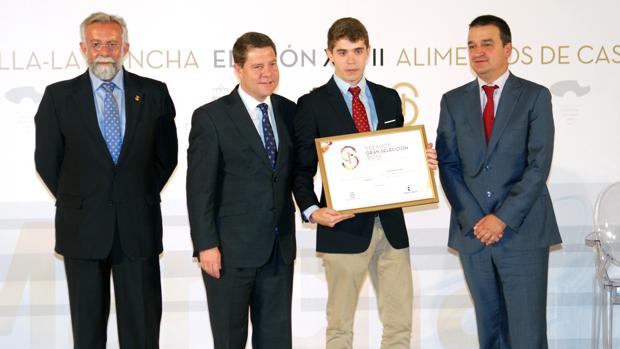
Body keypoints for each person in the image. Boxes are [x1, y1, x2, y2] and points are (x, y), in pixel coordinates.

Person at [34, 11, 177, 349]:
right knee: (87, 333)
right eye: (97, 44)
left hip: (137, 228)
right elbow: (47, 161)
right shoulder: (58, 97)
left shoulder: (154, 93)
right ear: (84, 47)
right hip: (82, 229)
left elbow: (165, 157)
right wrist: (82, 198)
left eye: (112, 44)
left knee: (142, 332)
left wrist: (133, 194)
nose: (104, 51)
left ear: (125, 47)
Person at [293, 17, 437, 349]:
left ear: (368, 50)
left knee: (400, 325)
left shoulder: (389, 99)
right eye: (342, 52)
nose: (351, 60)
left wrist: (421, 161)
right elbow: (301, 170)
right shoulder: (312, 104)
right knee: (340, 327)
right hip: (342, 226)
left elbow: (394, 158)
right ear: (329, 53)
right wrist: (313, 210)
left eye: (358, 51)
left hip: (391, 226)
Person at [435, 14, 562, 349]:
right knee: (490, 334)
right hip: (473, 234)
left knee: (527, 335)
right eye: (472, 46)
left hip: (521, 232)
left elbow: (539, 164)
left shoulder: (535, 96)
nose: (478, 52)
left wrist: (501, 218)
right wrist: (476, 220)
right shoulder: (452, 100)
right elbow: (447, 164)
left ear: (508, 49)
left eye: (487, 44)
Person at [186, 32, 297, 349]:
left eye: (273, 64)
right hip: (228, 254)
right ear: (238, 69)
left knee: (276, 341)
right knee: (230, 340)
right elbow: (199, 188)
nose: (268, 73)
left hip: (279, 250)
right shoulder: (211, 117)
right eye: (258, 66)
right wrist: (206, 245)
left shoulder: (289, 111)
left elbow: (303, 170)